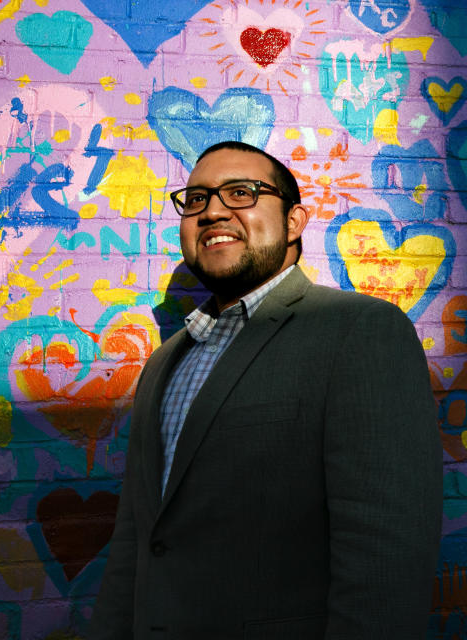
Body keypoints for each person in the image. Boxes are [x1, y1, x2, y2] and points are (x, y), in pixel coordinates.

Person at [89, 141, 442, 639]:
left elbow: (385, 557)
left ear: (295, 221)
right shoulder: (166, 361)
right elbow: (136, 542)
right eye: (195, 200)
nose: (212, 211)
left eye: (241, 193)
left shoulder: (358, 331)